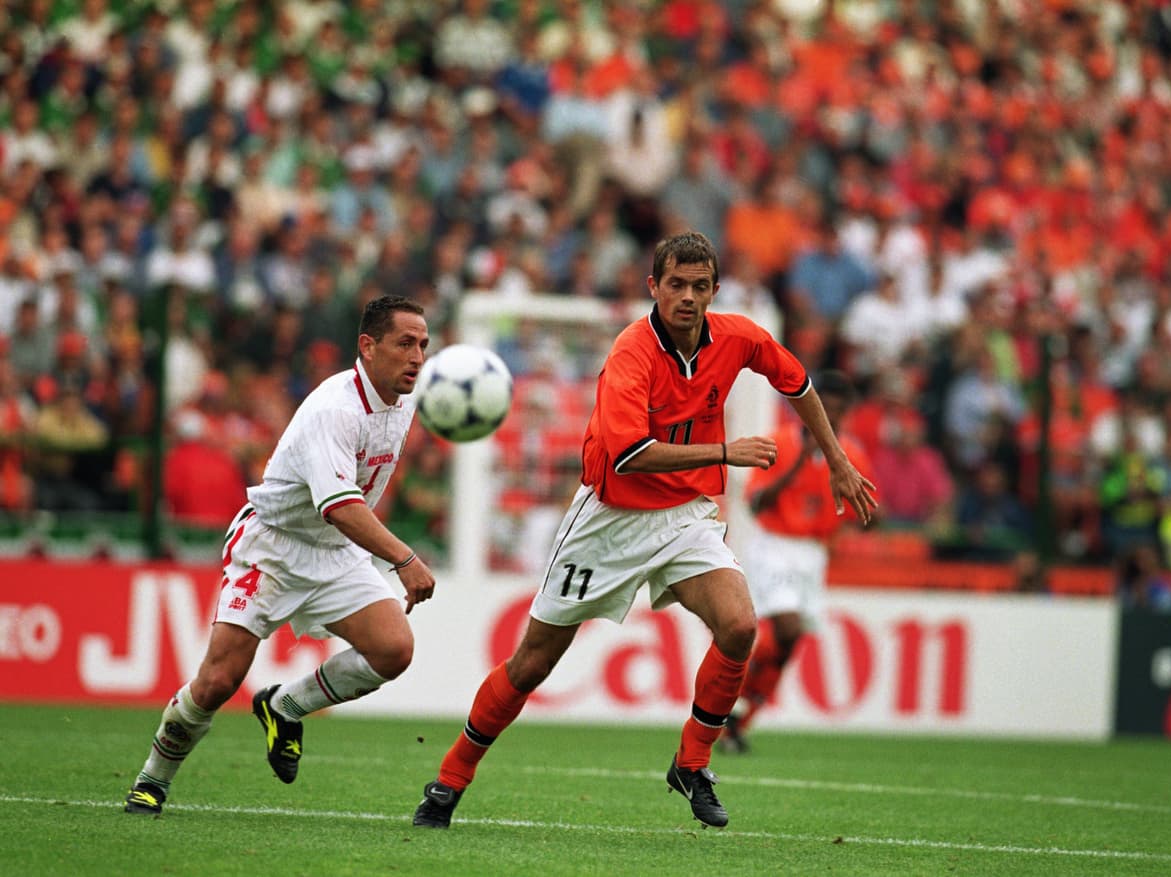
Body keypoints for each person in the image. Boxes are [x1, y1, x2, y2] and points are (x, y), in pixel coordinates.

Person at [411, 232, 877, 830]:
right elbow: (629, 454)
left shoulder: (736, 337)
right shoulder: (632, 353)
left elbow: (799, 383)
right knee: (531, 665)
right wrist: (726, 451)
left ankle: (693, 762)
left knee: (739, 626)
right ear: (652, 287)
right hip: (609, 519)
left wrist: (836, 460)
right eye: (675, 285)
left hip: (685, 517)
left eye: (699, 286)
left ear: (714, 291)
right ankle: (449, 780)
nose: (687, 297)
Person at [124, 295, 437, 815]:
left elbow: (349, 505)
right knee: (219, 679)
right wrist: (404, 559)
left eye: (423, 345)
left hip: (333, 550)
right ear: (368, 345)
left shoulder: (402, 404)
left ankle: (284, 705)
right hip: (273, 546)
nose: (418, 357)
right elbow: (339, 505)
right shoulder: (334, 407)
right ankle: (152, 778)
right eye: (405, 343)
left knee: (393, 649)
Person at [719, 369, 873, 754]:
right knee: (785, 630)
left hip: (814, 553)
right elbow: (755, 504)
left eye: (838, 410)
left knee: (789, 645)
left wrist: (868, 510)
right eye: (825, 408)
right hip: (774, 544)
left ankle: (738, 718)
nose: (831, 417)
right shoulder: (779, 444)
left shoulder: (851, 455)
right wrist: (800, 463)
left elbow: (865, 512)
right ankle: (727, 706)